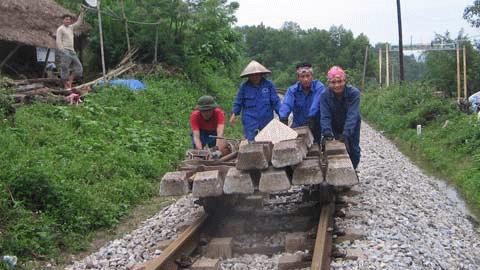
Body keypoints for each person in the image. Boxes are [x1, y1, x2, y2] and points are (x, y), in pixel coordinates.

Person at [320, 66, 361, 169]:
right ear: (328, 83)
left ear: (345, 80)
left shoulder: (354, 93)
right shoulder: (324, 96)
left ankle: (352, 169)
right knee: (334, 148)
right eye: (333, 82)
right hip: (334, 123)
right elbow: (325, 116)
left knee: (353, 149)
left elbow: (352, 115)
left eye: (340, 81)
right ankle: (335, 171)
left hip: (352, 124)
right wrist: (327, 132)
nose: (337, 85)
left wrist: (346, 134)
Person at [230, 60, 281, 141]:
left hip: (266, 119)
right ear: (248, 76)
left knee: (268, 141)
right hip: (250, 121)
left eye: (257, 74)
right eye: (252, 75)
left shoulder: (269, 85)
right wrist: (234, 114)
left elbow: (276, 101)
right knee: (252, 143)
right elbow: (238, 101)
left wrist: (282, 115)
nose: (254, 77)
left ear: (261, 74)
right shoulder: (244, 87)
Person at [279, 62, 325, 141]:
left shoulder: (319, 87)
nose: (305, 79)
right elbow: (286, 104)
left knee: (315, 147)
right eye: (302, 76)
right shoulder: (292, 90)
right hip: (298, 125)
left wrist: (311, 117)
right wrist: (283, 117)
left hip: (315, 124)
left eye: (308, 76)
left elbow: (316, 103)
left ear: (312, 76)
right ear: (298, 78)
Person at [56, 8, 85, 90]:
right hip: (65, 50)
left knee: (79, 68)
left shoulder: (71, 27)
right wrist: (62, 50)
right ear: (63, 20)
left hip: (72, 51)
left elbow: (79, 23)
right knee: (65, 68)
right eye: (66, 19)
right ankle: (66, 85)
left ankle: (70, 81)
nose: (68, 21)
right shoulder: (60, 29)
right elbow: (58, 41)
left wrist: (82, 13)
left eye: (69, 20)